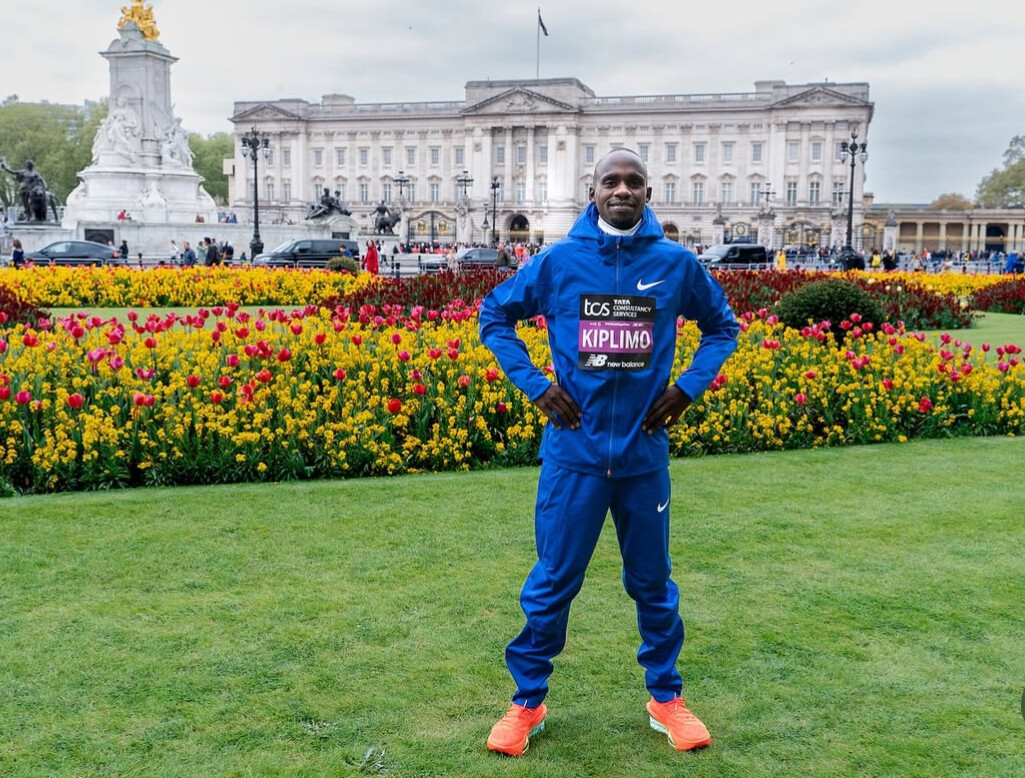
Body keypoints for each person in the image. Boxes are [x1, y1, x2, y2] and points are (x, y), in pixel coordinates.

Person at [479, 148, 739, 756]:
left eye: (634, 182)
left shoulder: (675, 264)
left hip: (643, 458)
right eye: (611, 181)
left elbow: (722, 327)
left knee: (653, 584)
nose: (622, 190)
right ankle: (527, 702)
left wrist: (687, 388)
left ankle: (666, 698)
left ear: (648, 193)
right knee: (553, 581)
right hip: (574, 455)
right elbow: (494, 315)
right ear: (592, 191)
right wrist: (536, 386)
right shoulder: (559, 262)